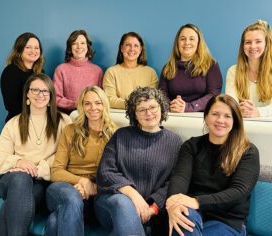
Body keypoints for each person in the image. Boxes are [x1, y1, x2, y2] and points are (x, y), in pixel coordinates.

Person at [166, 94, 260, 236]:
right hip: (192, 213)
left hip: (226, 221)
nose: (220, 120)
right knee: (183, 218)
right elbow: (180, 178)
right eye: (215, 114)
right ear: (206, 116)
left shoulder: (247, 151)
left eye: (227, 116)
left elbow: (238, 192)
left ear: (235, 120)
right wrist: (173, 203)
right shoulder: (191, 146)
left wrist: (197, 201)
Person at [94, 87, 183, 235]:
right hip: (114, 202)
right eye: (142, 109)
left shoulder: (174, 141)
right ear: (134, 114)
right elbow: (105, 171)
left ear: (162, 107)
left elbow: (174, 181)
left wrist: (153, 208)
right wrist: (133, 195)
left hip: (154, 210)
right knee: (123, 205)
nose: (148, 113)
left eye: (153, 107)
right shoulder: (121, 135)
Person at [0, 73, 72, 236]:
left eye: (45, 91)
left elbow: (68, 156)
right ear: (27, 94)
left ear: (51, 96)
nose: (40, 95)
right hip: (13, 180)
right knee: (21, 179)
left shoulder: (64, 122)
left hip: (43, 182)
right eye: (35, 90)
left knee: (17, 202)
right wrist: (19, 162)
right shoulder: (14, 123)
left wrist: (40, 168)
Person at [44, 86, 116, 236]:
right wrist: (82, 181)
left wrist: (93, 187)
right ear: (82, 106)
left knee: (54, 222)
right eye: (87, 103)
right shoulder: (70, 130)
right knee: (71, 197)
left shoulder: (115, 133)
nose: (93, 108)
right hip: (63, 187)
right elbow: (56, 172)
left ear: (104, 105)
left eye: (98, 103)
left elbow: (117, 173)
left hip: (93, 194)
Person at [225, 20, 272, 117]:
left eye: (258, 41)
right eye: (248, 42)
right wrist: (238, 109)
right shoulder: (233, 71)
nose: (253, 46)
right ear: (242, 46)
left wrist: (257, 112)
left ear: (266, 44)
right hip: (249, 120)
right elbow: (231, 103)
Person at [159, 24, 222, 113]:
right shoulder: (168, 68)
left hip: (202, 117)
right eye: (182, 39)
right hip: (174, 115)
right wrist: (172, 106)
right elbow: (161, 95)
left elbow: (214, 95)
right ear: (177, 43)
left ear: (198, 42)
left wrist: (188, 107)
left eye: (191, 39)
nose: (187, 43)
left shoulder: (211, 65)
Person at [103, 32, 158, 109]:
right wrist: (134, 104)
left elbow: (153, 99)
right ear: (122, 48)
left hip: (145, 117)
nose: (132, 49)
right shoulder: (111, 72)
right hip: (118, 117)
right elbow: (110, 99)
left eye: (136, 46)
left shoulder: (150, 72)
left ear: (140, 49)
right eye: (128, 45)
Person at [53, 30, 103, 114]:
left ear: (87, 46)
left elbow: (101, 100)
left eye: (82, 43)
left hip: (91, 116)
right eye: (74, 43)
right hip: (68, 117)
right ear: (70, 47)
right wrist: (76, 104)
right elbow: (56, 98)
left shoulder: (97, 71)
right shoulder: (61, 69)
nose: (79, 46)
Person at [0, 32, 45, 122]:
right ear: (19, 50)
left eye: (36, 48)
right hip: (18, 121)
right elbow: (11, 105)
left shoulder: (41, 72)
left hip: (38, 120)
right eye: (28, 47)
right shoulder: (10, 71)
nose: (33, 51)